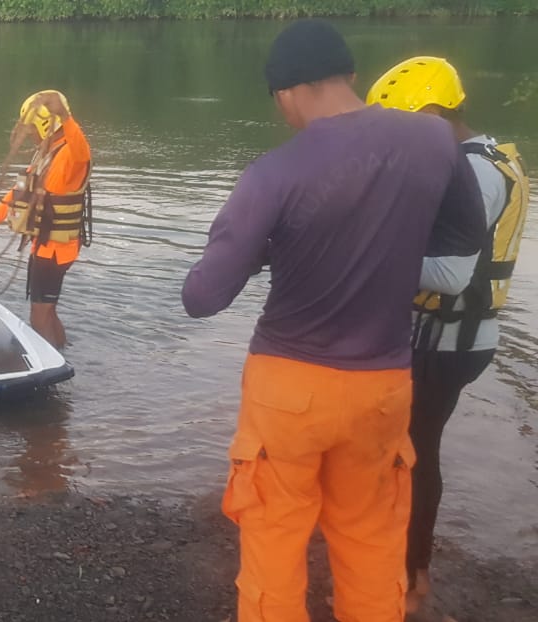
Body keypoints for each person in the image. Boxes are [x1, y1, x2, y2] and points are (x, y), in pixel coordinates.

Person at [180, 21, 486, 622]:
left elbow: (203, 295)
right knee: (372, 543)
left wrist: (270, 245)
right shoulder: (434, 141)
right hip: (383, 387)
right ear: (349, 74)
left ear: (286, 92)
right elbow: (463, 240)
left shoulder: (274, 173)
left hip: (288, 390)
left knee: (275, 542)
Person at [367, 56, 531, 614]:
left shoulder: (474, 173)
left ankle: (411, 574)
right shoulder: (481, 158)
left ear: (434, 114)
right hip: (450, 333)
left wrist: (367, 249)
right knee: (403, 446)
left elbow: (448, 272)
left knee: (413, 452)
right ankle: (403, 560)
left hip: (449, 338)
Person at [0, 90, 92, 349]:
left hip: (56, 250)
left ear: (46, 124)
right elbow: (16, 194)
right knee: (48, 311)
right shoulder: (44, 155)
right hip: (45, 246)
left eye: (32, 127)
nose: (31, 134)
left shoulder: (70, 155)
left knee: (39, 315)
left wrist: (64, 116)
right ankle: (63, 353)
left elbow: (83, 151)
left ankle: (50, 368)